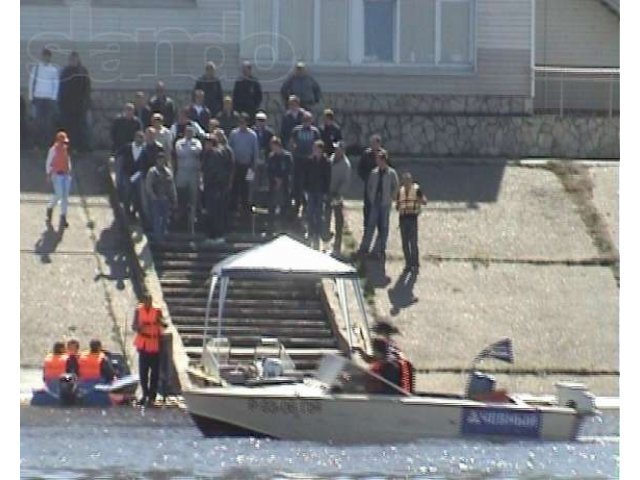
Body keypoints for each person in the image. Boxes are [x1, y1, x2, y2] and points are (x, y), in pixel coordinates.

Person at [357, 150, 399, 261]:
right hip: (375, 202)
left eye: (379, 160)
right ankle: (364, 248)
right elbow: (369, 186)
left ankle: (380, 250)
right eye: (377, 160)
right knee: (370, 225)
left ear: (384, 161)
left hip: (385, 203)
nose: (378, 163)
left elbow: (395, 187)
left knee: (384, 227)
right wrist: (371, 197)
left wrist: (391, 197)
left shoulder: (391, 173)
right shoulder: (374, 173)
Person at [353, 320, 414, 393]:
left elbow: (371, 362)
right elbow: (371, 360)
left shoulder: (388, 365)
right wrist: (360, 351)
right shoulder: (389, 347)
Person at [132, 293, 167, 406]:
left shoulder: (157, 310)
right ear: (143, 302)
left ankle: (152, 395)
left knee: (155, 372)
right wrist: (141, 327)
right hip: (143, 344)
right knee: (143, 372)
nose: (148, 304)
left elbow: (164, 324)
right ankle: (145, 394)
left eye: (150, 302)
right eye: (147, 301)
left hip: (155, 344)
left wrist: (159, 322)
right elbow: (134, 326)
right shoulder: (138, 311)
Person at [201, 134, 235, 240]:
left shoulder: (216, 154)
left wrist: (219, 185)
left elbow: (217, 171)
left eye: (207, 142)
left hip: (216, 186)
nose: (206, 145)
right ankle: (213, 233)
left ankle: (217, 234)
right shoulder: (207, 154)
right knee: (212, 211)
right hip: (211, 186)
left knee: (216, 211)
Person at [58, 51, 91, 152]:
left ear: (78, 59)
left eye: (75, 59)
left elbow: (87, 88)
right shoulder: (65, 72)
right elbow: (61, 88)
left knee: (81, 127)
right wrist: (61, 102)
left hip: (80, 105)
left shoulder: (83, 71)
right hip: (67, 106)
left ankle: (82, 147)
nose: (73, 61)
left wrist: (86, 102)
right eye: (71, 59)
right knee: (68, 127)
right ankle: (69, 147)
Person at [290, 111, 320, 218]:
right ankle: (297, 206)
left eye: (308, 120)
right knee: (298, 185)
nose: (306, 122)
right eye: (305, 120)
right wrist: (295, 150)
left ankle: (307, 208)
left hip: (310, 163)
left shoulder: (315, 132)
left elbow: (318, 145)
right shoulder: (296, 130)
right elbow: (292, 143)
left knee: (308, 186)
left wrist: (313, 155)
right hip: (298, 161)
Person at [174, 125, 203, 234]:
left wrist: (188, 150)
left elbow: (198, 151)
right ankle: (181, 217)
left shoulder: (197, 142)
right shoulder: (179, 142)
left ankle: (193, 219)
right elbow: (179, 153)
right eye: (187, 131)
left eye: (191, 132)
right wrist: (190, 150)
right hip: (182, 172)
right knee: (181, 195)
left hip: (194, 173)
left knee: (194, 196)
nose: (189, 133)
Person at [29, 47, 59, 149]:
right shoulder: (36, 68)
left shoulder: (53, 70)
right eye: (44, 55)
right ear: (42, 56)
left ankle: (47, 143)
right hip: (38, 98)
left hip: (49, 99)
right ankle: (37, 143)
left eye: (48, 56)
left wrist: (53, 98)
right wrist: (31, 97)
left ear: (50, 57)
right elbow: (31, 83)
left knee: (48, 122)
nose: (46, 58)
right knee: (38, 122)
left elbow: (56, 84)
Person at [228, 113, 259, 214]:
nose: (242, 124)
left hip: (248, 166)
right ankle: (234, 208)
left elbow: (255, 151)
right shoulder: (233, 134)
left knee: (247, 187)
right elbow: (230, 148)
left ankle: (246, 208)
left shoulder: (253, 135)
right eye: (240, 122)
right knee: (235, 187)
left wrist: (254, 166)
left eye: (244, 122)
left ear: (247, 123)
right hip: (236, 166)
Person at [397, 171, 427, 271]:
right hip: (402, 219)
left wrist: (420, 200)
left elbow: (424, 201)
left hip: (412, 219)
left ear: (411, 181)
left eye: (408, 181)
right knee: (405, 243)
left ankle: (415, 264)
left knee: (413, 243)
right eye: (404, 181)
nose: (406, 183)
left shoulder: (416, 190)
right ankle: (408, 264)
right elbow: (398, 205)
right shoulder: (400, 191)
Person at [304, 140, 331, 249]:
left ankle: (317, 235)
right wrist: (305, 189)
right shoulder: (309, 160)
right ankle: (310, 234)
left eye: (316, 149)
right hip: (310, 190)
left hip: (320, 191)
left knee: (319, 215)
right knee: (310, 213)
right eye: (313, 148)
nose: (314, 151)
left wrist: (325, 192)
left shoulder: (326, 162)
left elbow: (328, 178)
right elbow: (305, 175)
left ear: (321, 150)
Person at [145, 151, 177, 241]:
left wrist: (174, 198)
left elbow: (172, 186)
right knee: (156, 218)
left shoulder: (168, 172)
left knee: (165, 218)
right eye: (159, 160)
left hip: (166, 199)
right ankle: (157, 237)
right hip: (156, 198)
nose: (161, 162)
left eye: (163, 160)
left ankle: (163, 235)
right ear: (157, 161)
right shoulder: (152, 171)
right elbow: (148, 185)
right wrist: (152, 196)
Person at [326, 141, 351, 254]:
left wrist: (338, 194)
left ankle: (337, 246)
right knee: (326, 218)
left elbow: (346, 182)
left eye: (338, 149)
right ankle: (326, 241)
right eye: (335, 149)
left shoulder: (346, 165)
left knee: (338, 222)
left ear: (343, 151)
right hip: (328, 192)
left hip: (337, 194)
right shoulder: (331, 159)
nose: (336, 151)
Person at [115, 130, 145, 220]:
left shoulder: (144, 149)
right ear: (135, 138)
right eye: (138, 137)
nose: (140, 140)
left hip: (138, 175)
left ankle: (134, 212)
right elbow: (118, 155)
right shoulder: (127, 147)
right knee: (128, 193)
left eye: (141, 138)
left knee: (137, 196)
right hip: (127, 173)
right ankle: (127, 211)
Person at [45, 131, 72, 228]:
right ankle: (50, 207)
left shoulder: (65, 149)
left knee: (65, 196)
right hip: (57, 174)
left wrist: (69, 169)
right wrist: (48, 173)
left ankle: (63, 216)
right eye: (62, 142)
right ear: (58, 141)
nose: (64, 144)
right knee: (59, 194)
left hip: (65, 175)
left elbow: (67, 160)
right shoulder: (53, 150)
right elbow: (48, 162)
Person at [358, 134, 384, 231]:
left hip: (380, 186)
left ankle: (380, 227)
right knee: (368, 206)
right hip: (369, 186)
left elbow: (388, 168)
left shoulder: (383, 155)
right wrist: (366, 178)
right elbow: (360, 169)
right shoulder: (366, 154)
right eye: (371, 143)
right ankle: (367, 226)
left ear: (379, 144)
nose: (373, 145)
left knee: (380, 207)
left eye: (374, 143)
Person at [267, 136, 292, 226]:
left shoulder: (287, 156)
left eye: (274, 146)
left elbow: (289, 170)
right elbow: (269, 171)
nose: (273, 148)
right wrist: (275, 179)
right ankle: (270, 227)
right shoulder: (271, 157)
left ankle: (283, 227)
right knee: (272, 206)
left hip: (284, 185)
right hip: (273, 185)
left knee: (284, 207)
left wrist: (281, 179)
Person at [252, 111, 274, 193]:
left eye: (262, 120)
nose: (260, 122)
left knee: (265, 179)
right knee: (253, 179)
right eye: (259, 120)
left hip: (266, 158)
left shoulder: (270, 133)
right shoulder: (251, 131)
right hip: (254, 158)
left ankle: (263, 199)